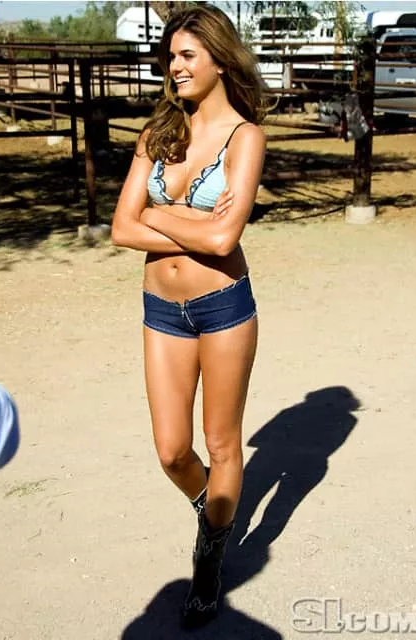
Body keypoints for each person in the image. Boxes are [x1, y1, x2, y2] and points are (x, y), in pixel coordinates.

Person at [111, 4, 266, 629]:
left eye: (186, 55)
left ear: (219, 60)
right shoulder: (158, 135)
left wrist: (156, 214)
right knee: (173, 450)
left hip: (223, 306)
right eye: (170, 57)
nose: (173, 66)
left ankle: (210, 557)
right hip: (161, 309)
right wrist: (189, 221)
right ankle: (214, 514)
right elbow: (121, 229)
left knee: (222, 443)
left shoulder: (244, 138)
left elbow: (225, 239)